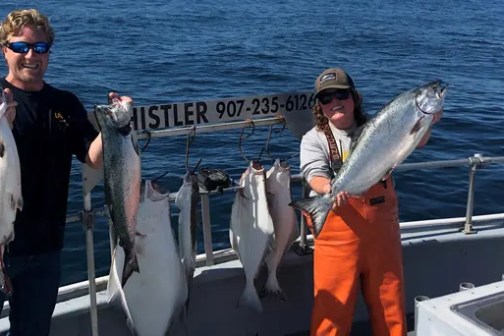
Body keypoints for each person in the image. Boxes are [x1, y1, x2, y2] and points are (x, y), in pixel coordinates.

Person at [0, 9, 132, 335]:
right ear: (4, 49)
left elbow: (93, 158)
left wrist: (115, 125)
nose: (31, 56)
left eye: (40, 48)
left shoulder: (65, 103)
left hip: (44, 249)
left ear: (49, 53)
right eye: (20, 47)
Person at [300, 67, 442, 336]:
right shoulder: (314, 139)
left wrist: (428, 121)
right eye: (325, 98)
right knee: (332, 313)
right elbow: (314, 174)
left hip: (382, 232)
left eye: (340, 94)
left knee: (390, 308)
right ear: (320, 107)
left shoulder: (378, 128)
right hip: (337, 235)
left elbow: (417, 140)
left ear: (354, 97)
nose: (334, 102)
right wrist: (330, 188)